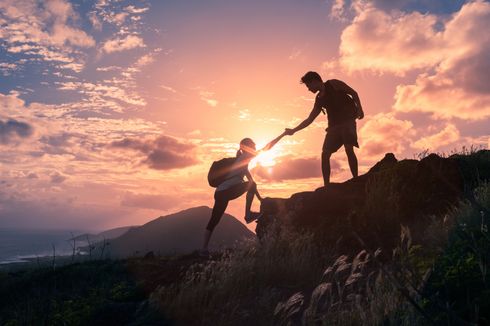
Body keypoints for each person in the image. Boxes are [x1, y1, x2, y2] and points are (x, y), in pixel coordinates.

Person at [202, 133, 285, 254]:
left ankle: (203, 248)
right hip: (226, 192)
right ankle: (248, 215)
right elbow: (267, 147)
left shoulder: (242, 162)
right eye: (253, 145)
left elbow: (251, 182)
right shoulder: (245, 157)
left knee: (214, 220)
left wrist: (259, 198)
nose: (255, 146)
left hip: (220, 192)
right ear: (247, 147)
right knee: (215, 219)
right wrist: (282, 135)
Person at [285, 71, 364, 187]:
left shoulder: (334, 84)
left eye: (308, 85)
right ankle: (326, 186)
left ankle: (356, 180)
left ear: (314, 81)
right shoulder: (319, 99)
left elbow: (353, 93)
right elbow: (309, 119)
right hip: (333, 127)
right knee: (325, 154)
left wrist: (360, 109)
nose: (308, 89)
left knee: (348, 148)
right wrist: (293, 130)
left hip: (348, 121)